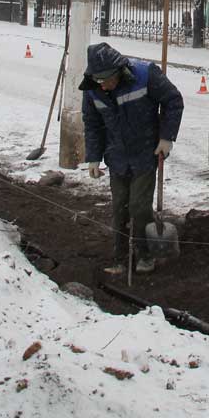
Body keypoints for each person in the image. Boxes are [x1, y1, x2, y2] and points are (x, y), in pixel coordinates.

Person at [80, 43, 184, 274]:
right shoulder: (92, 90)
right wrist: (94, 157)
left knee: (138, 206)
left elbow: (173, 101)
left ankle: (145, 255)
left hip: (146, 153)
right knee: (119, 208)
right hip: (116, 155)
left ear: (119, 71)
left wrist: (166, 137)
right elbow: (93, 124)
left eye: (107, 79)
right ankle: (120, 259)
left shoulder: (145, 75)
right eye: (99, 80)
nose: (103, 85)